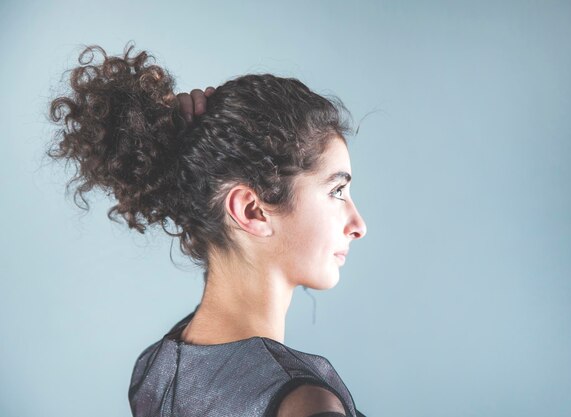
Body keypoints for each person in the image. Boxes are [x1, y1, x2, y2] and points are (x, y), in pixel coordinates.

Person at [46, 42, 368, 417]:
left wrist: (191, 147)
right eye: (337, 191)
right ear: (251, 210)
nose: (358, 225)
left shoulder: (155, 369)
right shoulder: (301, 403)